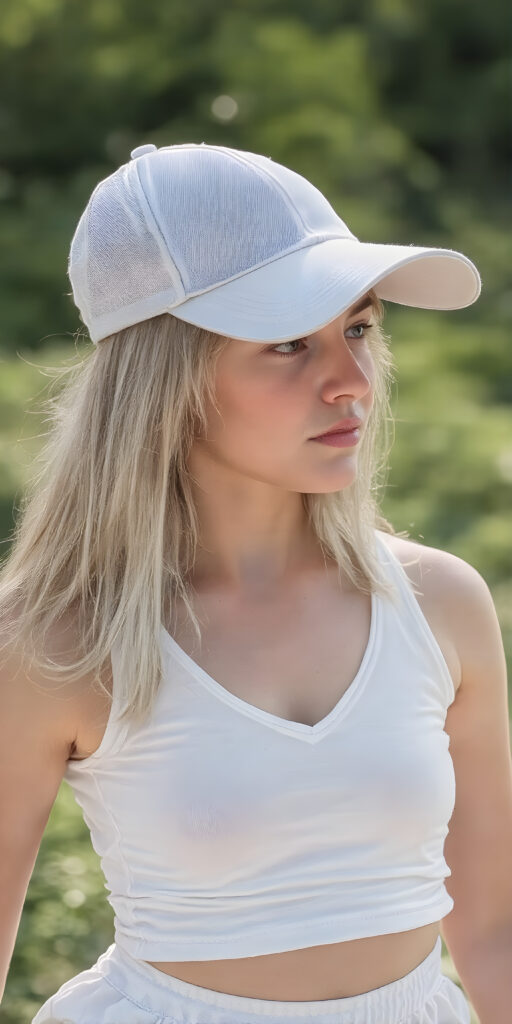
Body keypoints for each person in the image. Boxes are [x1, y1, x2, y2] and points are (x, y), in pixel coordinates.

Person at [1, 140, 506, 1024]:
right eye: (286, 343)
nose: (351, 382)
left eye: (358, 328)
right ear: (164, 379)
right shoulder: (56, 639)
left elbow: (496, 930)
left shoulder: (442, 603)